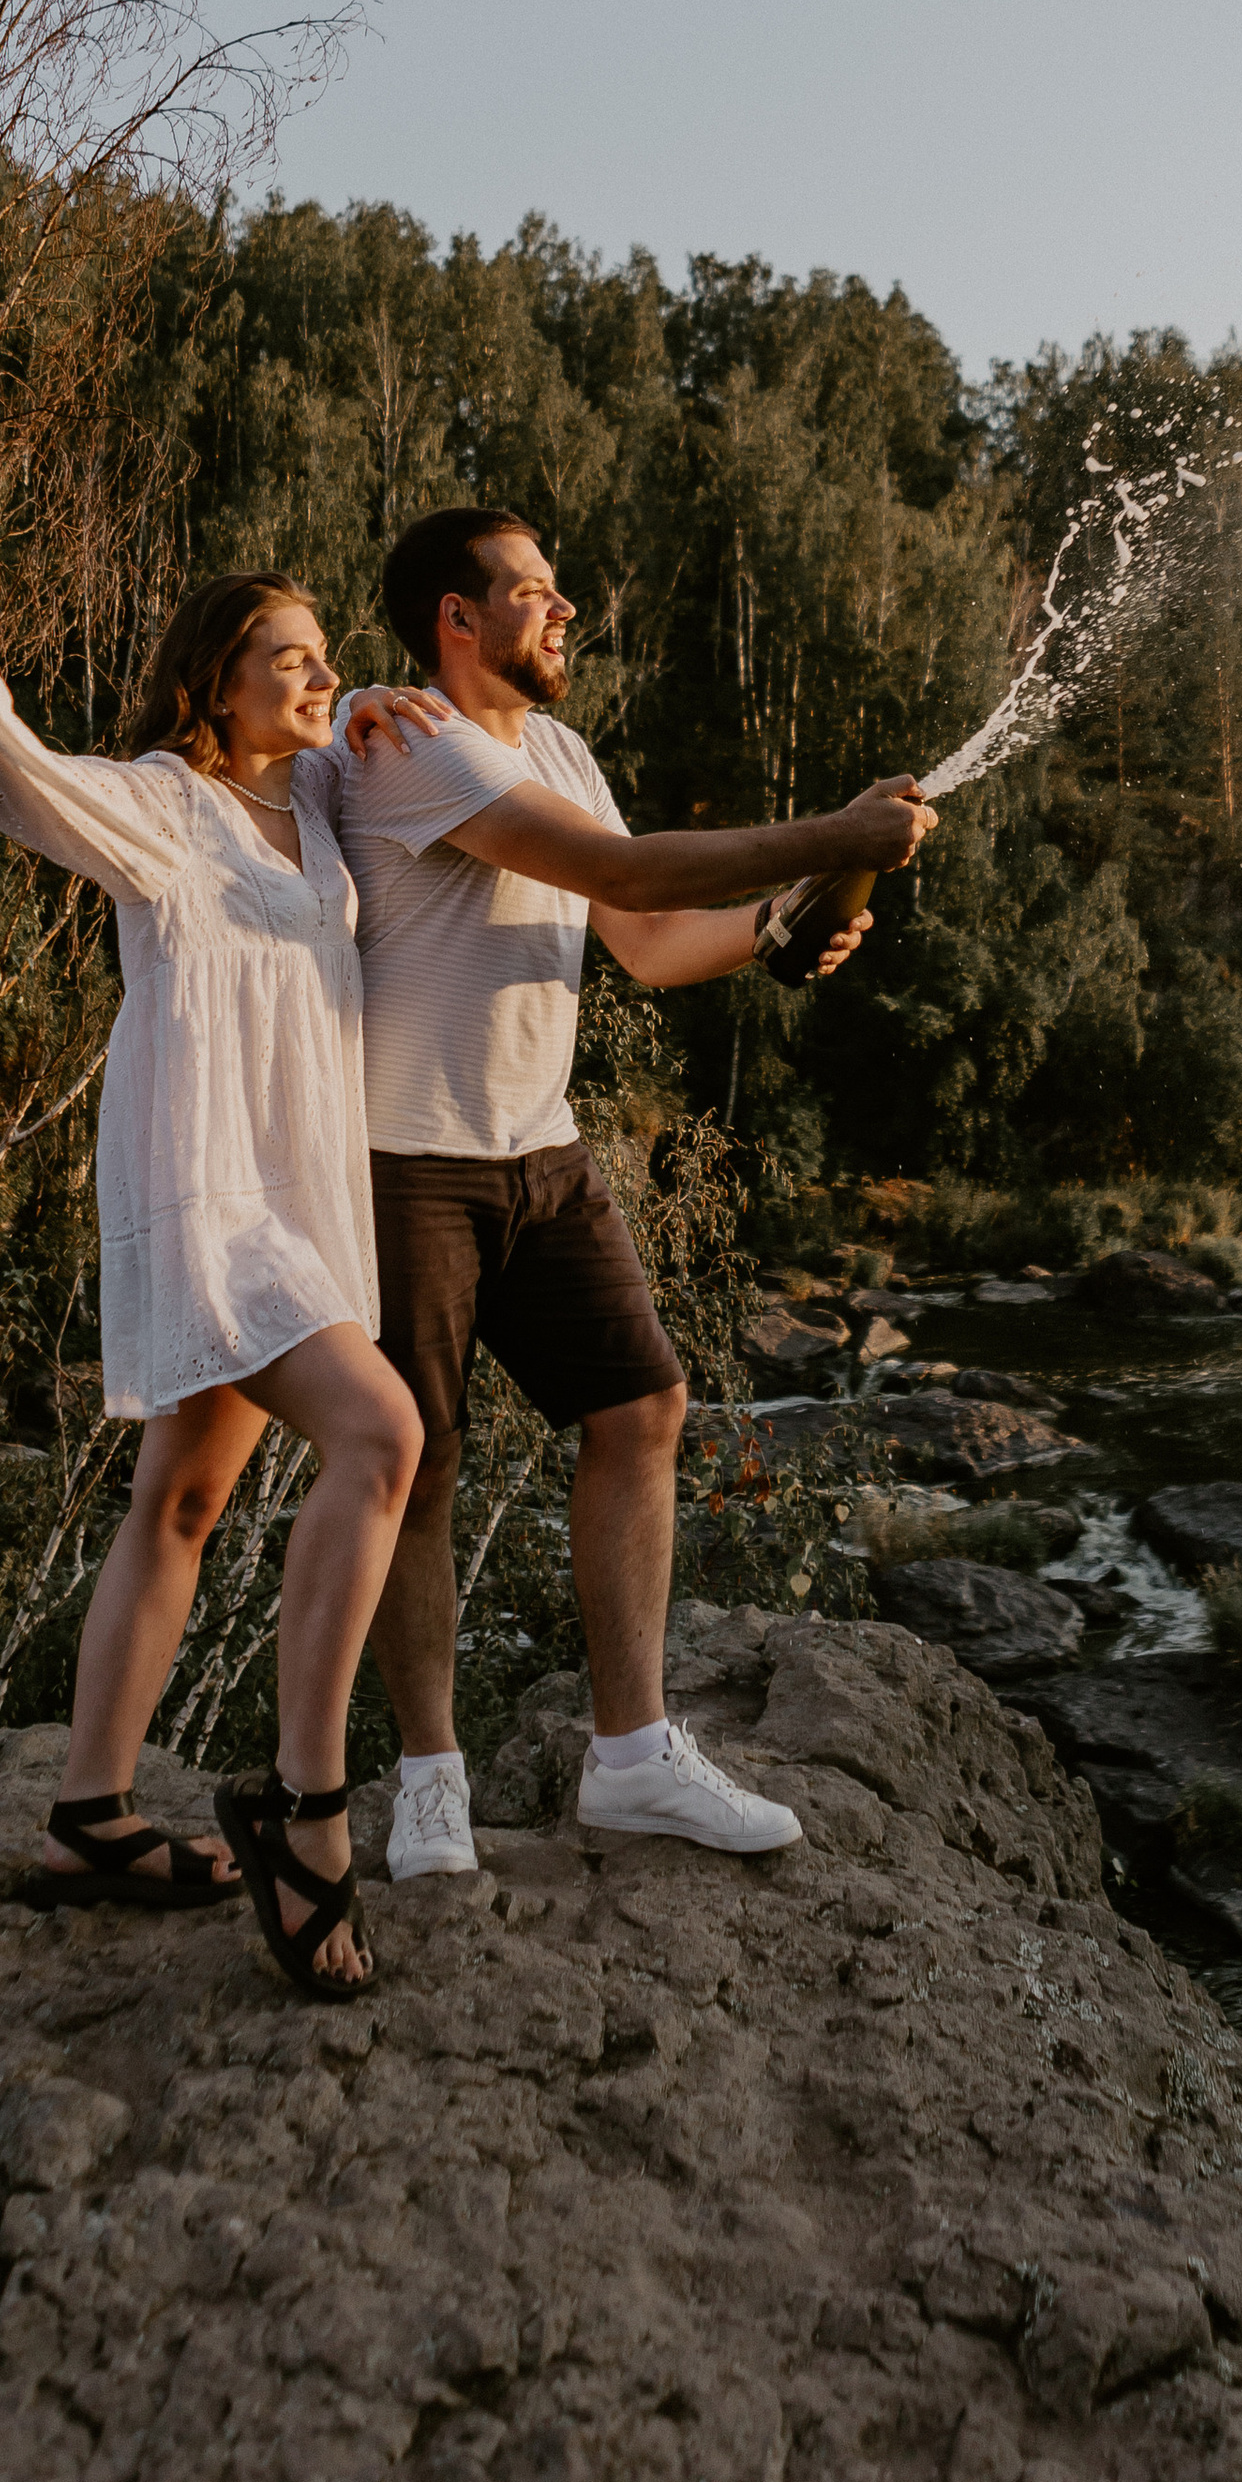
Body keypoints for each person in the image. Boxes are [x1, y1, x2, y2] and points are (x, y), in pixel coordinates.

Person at [332, 505, 936, 1881]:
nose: (562, 613)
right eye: (534, 592)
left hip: (538, 1153)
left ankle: (632, 1759)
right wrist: (824, 832)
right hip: (401, 1158)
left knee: (644, 1407)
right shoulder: (411, 743)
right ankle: (430, 1781)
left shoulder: (558, 749)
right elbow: (615, 867)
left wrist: (778, 934)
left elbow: (654, 940)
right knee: (415, 1466)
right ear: (456, 619)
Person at [0, 556, 426, 2000]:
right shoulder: (166, 805)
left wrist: (391, 704)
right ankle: (308, 1820)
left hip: (306, 1200)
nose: (316, 673)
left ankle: (88, 1820)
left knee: (181, 1495)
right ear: (214, 679)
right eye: (284, 657)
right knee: (382, 1433)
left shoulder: (313, 800)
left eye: (323, 653)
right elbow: (20, 771)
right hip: (219, 1202)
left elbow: (396, 734)